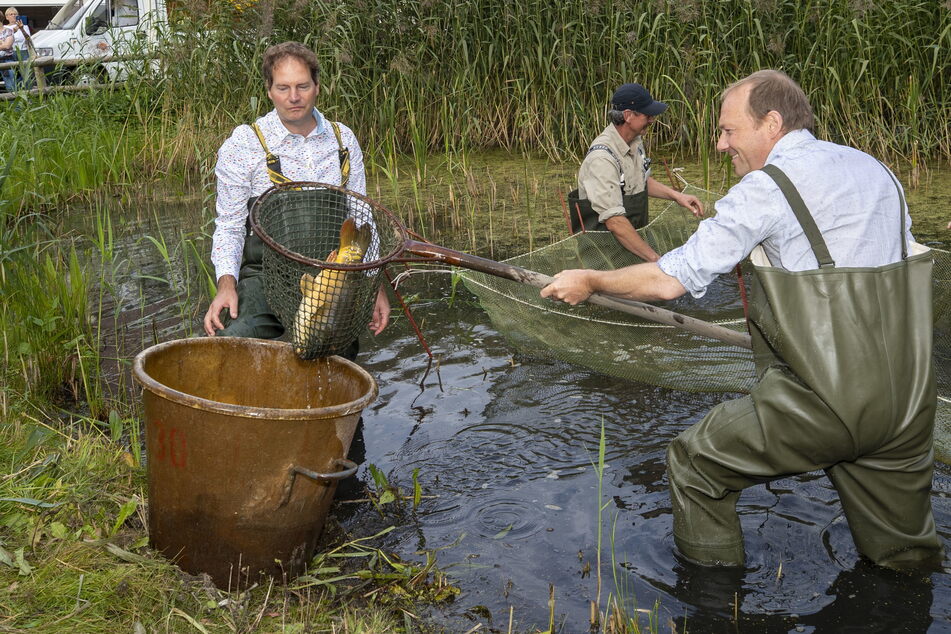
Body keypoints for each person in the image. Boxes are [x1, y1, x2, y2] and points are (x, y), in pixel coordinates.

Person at [542, 70, 942, 569]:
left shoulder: (765, 188)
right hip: (908, 400)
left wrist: (592, 279)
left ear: (771, 123)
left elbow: (672, 280)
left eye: (729, 130)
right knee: (903, 557)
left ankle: (716, 605)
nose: (720, 143)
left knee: (694, 464)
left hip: (828, 400)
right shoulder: (874, 168)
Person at [202, 41, 390, 357]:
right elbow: (230, 226)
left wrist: (374, 288)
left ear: (317, 87)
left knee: (337, 361)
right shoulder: (244, 144)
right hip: (266, 278)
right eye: (283, 87)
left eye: (302, 86)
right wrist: (226, 285)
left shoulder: (343, 141)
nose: (293, 97)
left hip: (333, 279)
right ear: (269, 90)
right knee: (229, 344)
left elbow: (361, 220)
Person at [567, 83, 704, 262]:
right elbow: (615, 221)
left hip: (632, 250)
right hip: (605, 260)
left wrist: (677, 196)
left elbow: (640, 180)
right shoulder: (602, 159)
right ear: (628, 115)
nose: (652, 119)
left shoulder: (635, 143)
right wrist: (656, 261)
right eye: (647, 115)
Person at [3, 8, 31, 92]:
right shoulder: (4, 28)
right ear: (6, 17)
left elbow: (28, 39)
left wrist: (21, 28)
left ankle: (28, 94)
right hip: (9, 53)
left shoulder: (24, 26)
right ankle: (14, 95)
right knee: (12, 75)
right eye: (11, 14)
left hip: (23, 51)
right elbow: (4, 40)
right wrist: (14, 30)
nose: (13, 16)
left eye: (15, 14)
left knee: (26, 75)